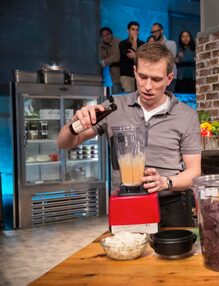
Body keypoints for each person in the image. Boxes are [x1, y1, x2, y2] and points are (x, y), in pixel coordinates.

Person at [57, 42, 202, 227]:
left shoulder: (186, 115)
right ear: (134, 72)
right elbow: (63, 143)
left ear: (169, 78)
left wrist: (165, 182)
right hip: (126, 201)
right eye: (142, 77)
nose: (148, 86)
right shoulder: (113, 106)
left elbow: (194, 171)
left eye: (156, 79)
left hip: (171, 204)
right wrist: (74, 124)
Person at [119, 21, 145, 92]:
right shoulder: (123, 44)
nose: (135, 32)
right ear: (128, 30)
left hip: (140, 75)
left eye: (137, 30)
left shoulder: (143, 44)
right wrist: (135, 41)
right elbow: (130, 56)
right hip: (127, 75)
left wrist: (135, 55)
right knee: (129, 97)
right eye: (133, 29)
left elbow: (144, 58)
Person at [151, 23, 177, 92]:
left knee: (170, 98)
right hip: (156, 76)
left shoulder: (171, 43)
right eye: (152, 32)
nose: (154, 34)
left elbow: (171, 58)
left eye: (156, 31)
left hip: (169, 75)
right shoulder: (152, 45)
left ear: (161, 31)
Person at [98, 27, 121, 93]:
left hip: (121, 75)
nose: (106, 37)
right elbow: (100, 60)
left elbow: (117, 57)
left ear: (111, 34)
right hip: (110, 77)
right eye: (103, 36)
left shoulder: (117, 42)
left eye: (107, 34)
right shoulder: (101, 45)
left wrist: (105, 62)